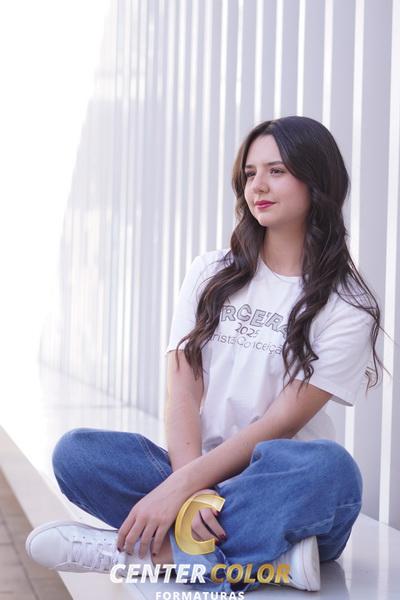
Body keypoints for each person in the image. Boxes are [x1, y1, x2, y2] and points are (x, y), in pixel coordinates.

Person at [25, 116, 387, 594]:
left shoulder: (348, 304)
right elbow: (182, 390)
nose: (258, 185)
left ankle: (148, 554)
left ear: (317, 180)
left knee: (331, 470)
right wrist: (189, 491)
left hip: (282, 493)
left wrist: (185, 495)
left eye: (277, 171)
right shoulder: (211, 272)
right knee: (78, 453)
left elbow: (279, 423)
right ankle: (262, 560)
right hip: (197, 472)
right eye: (250, 173)